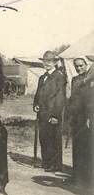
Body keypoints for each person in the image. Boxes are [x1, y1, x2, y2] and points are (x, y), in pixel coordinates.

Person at [33, 50, 67, 172]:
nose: (46, 64)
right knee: (44, 137)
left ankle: (56, 165)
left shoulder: (59, 76)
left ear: (54, 63)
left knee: (54, 138)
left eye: (49, 62)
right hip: (42, 112)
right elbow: (37, 94)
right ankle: (46, 162)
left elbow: (60, 97)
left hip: (53, 113)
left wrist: (55, 115)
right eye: (45, 61)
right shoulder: (42, 77)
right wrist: (35, 104)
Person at [68, 57, 91, 185]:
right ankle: (77, 176)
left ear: (86, 65)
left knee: (86, 148)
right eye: (76, 66)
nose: (79, 68)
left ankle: (87, 178)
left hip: (87, 117)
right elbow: (73, 98)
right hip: (76, 118)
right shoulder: (74, 79)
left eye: (81, 65)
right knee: (76, 147)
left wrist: (88, 117)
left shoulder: (90, 80)